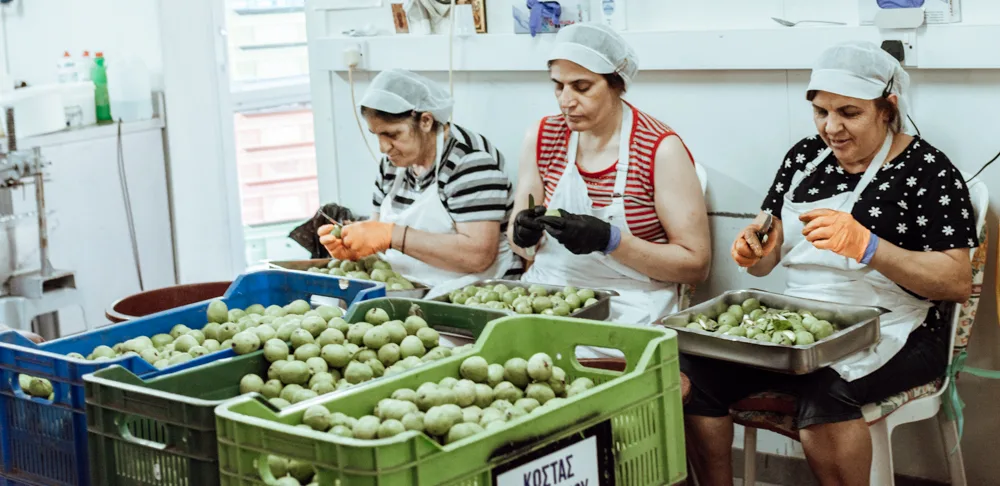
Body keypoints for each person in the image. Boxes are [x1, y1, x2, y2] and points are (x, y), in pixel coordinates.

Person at [683, 41, 978, 486]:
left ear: (887, 108)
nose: (831, 127)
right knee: (693, 377)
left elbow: (955, 282)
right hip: (801, 323)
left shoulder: (928, 170)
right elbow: (765, 253)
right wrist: (754, 253)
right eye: (821, 111)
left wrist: (869, 246)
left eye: (848, 113)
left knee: (827, 395)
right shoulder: (803, 159)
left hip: (897, 326)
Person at [508, 22, 711, 340]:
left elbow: (696, 264)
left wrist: (610, 240)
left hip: (630, 305)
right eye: (558, 86)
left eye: (582, 86)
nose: (566, 101)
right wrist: (521, 234)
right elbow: (518, 239)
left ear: (617, 83)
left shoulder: (660, 149)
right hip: (546, 294)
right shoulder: (542, 136)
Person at [319, 69, 520, 297]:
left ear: (425, 121)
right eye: (377, 135)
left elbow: (478, 256)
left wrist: (391, 235)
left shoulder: (469, 161)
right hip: (413, 290)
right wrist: (353, 246)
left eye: (393, 135)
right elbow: (377, 231)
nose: (383, 148)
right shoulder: (394, 164)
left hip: (473, 296)